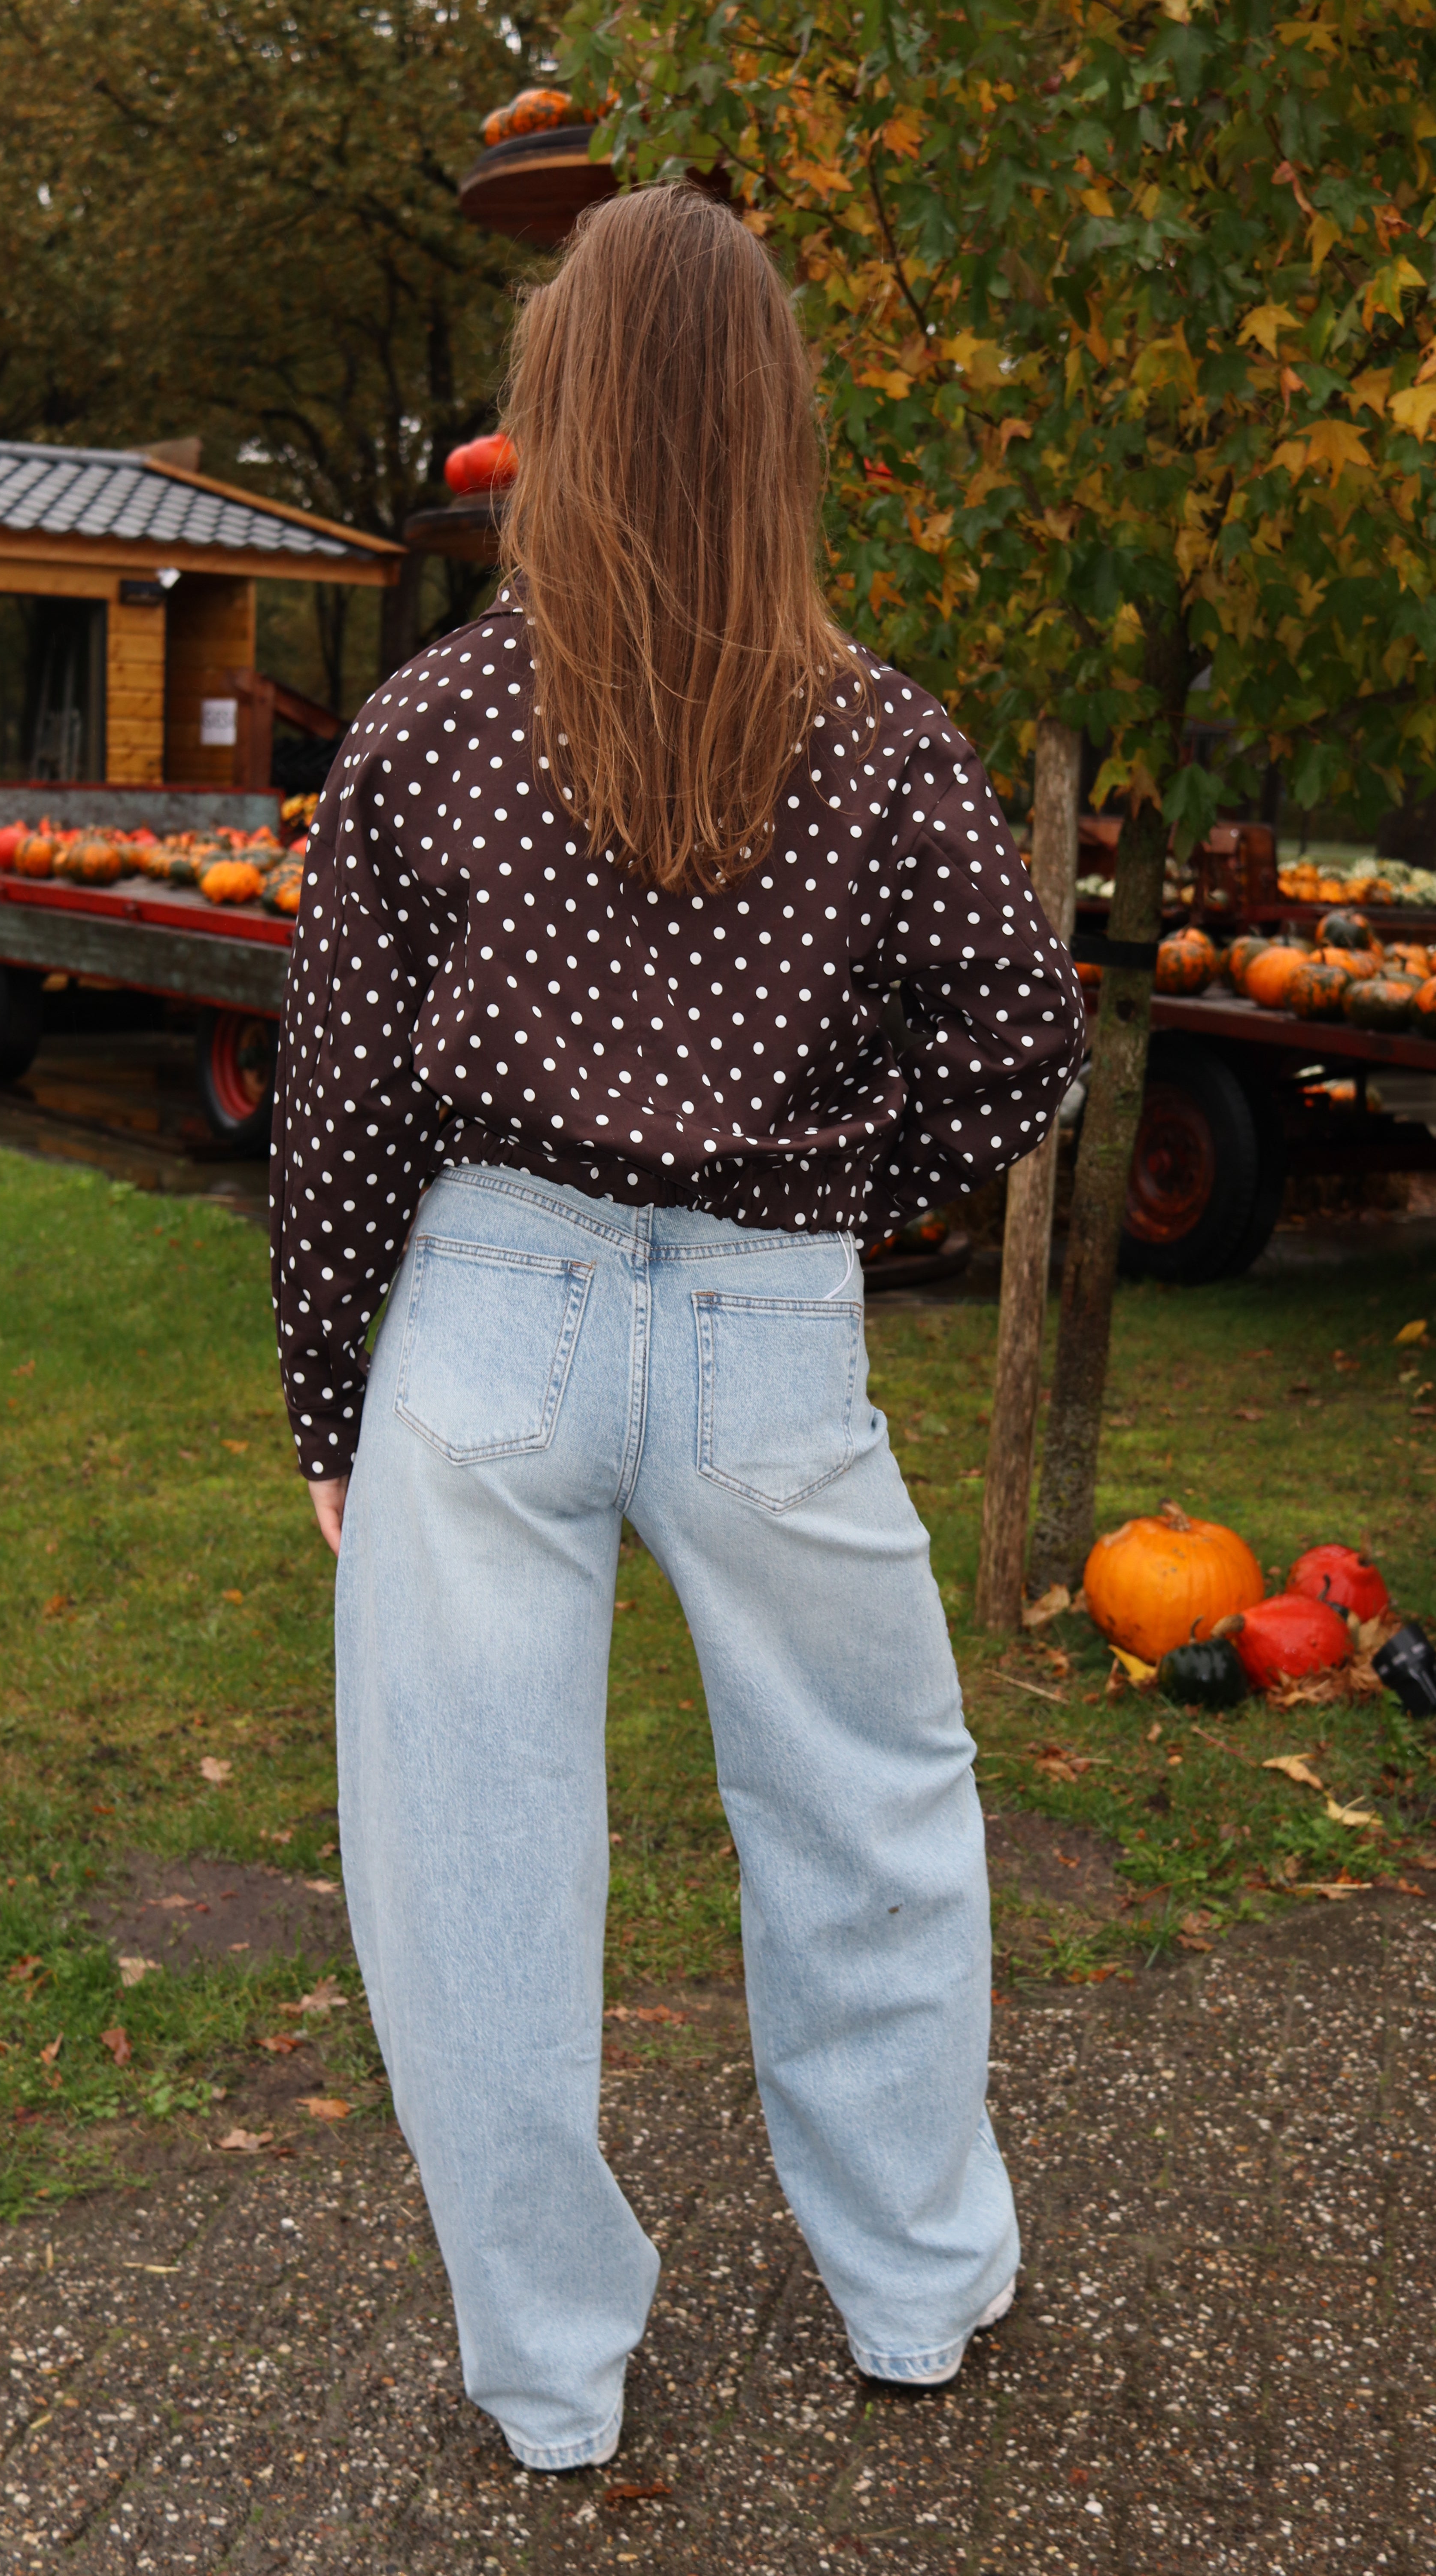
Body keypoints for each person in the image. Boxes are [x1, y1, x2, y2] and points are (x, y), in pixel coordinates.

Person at [270, 182, 1086, 2473]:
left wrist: (330, 1396)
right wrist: (834, 1184)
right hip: (765, 1337)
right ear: (770, 431)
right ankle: (917, 2295)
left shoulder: (429, 729)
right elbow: (1032, 1051)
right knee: (871, 1821)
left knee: (472, 1861)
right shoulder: (880, 739)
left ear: (560, 421)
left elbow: (334, 1097)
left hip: (491, 1325)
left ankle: (550, 2383)